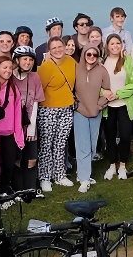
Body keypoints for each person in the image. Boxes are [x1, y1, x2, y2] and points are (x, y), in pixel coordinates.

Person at [36, 36, 77, 192]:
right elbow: (39, 90)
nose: (58, 50)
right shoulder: (45, 67)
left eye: (60, 46)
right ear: (49, 50)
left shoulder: (71, 62)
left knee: (61, 143)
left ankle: (59, 174)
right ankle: (45, 177)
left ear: (64, 46)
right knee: (46, 144)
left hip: (67, 108)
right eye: (54, 48)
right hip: (48, 109)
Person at [100, 34, 133, 180]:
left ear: (121, 45)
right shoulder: (102, 62)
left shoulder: (127, 60)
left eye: (118, 43)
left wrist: (118, 94)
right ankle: (112, 165)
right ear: (107, 46)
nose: (115, 46)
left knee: (125, 136)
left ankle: (122, 165)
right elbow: (95, 84)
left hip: (124, 105)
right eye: (112, 43)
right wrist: (104, 93)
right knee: (110, 136)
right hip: (108, 106)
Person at [73, 43, 111, 192]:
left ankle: (83, 172)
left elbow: (107, 91)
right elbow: (70, 89)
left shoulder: (102, 70)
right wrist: (76, 105)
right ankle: (84, 179)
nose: (91, 57)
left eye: (95, 55)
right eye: (88, 54)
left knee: (92, 145)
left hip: (95, 112)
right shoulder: (76, 69)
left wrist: (98, 105)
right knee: (82, 145)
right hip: (80, 112)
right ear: (84, 54)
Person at [0, 57, 26, 194]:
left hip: (9, 134)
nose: (8, 71)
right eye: (5, 67)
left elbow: (17, 114)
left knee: (9, 165)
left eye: (10, 68)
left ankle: (4, 190)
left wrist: (19, 137)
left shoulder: (13, 89)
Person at [11, 45, 45, 191]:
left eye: (30, 60)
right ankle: (19, 189)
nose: (28, 62)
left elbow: (36, 102)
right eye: (24, 59)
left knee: (32, 158)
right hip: (13, 125)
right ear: (17, 60)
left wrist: (32, 127)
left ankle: (30, 188)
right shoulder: (9, 77)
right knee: (17, 159)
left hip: (30, 122)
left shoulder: (34, 77)